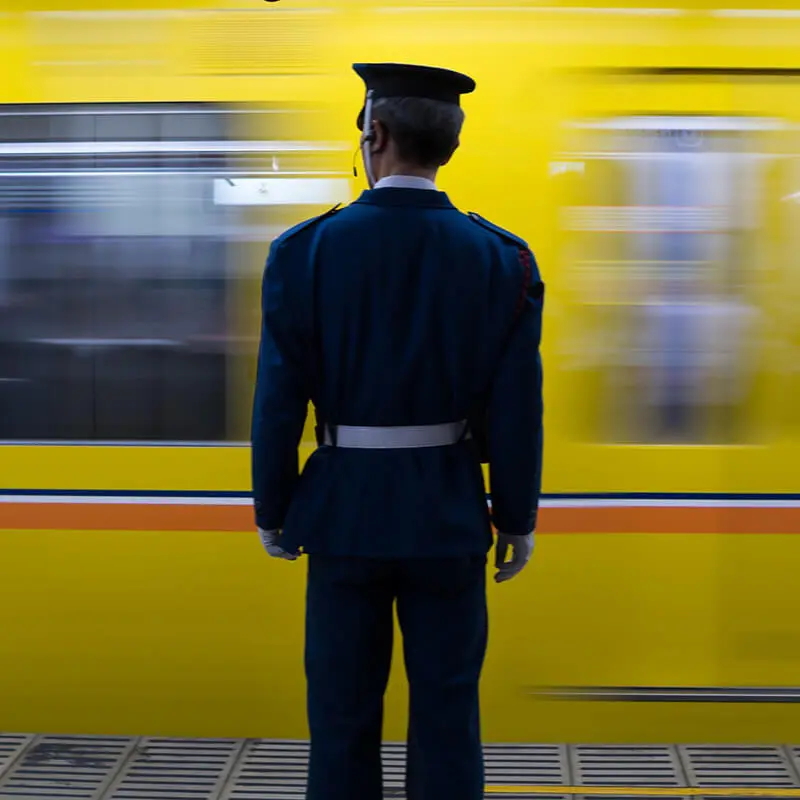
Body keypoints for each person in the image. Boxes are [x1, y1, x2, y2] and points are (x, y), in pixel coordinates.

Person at [251, 62, 545, 800]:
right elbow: (518, 407)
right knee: (448, 714)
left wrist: (273, 508)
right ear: (450, 145)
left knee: (341, 716)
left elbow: (278, 400)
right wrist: (516, 518)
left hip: (343, 516)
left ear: (374, 134)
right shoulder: (501, 258)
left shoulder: (305, 251)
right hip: (449, 517)